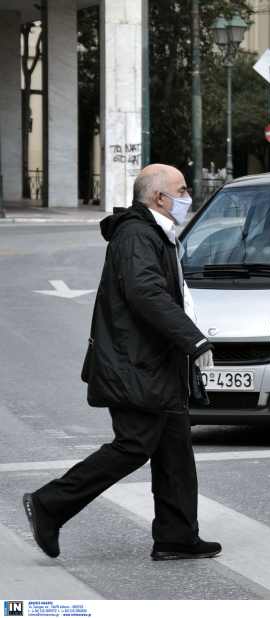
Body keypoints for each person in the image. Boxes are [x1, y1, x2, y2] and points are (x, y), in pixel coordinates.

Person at [23, 164, 222, 562]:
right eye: (182, 190)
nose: (188, 197)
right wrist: (194, 340)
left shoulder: (156, 233)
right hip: (137, 365)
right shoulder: (137, 235)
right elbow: (146, 293)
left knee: (175, 451)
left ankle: (177, 536)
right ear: (160, 198)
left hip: (158, 363)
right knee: (133, 445)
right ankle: (49, 504)